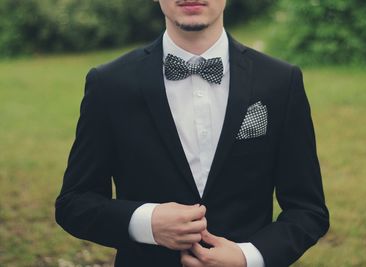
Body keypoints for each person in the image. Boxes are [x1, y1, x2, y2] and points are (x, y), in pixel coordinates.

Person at [55, 0, 330, 266]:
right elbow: (74, 203)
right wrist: (146, 222)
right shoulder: (109, 84)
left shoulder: (281, 81)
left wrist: (248, 257)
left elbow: (307, 210)